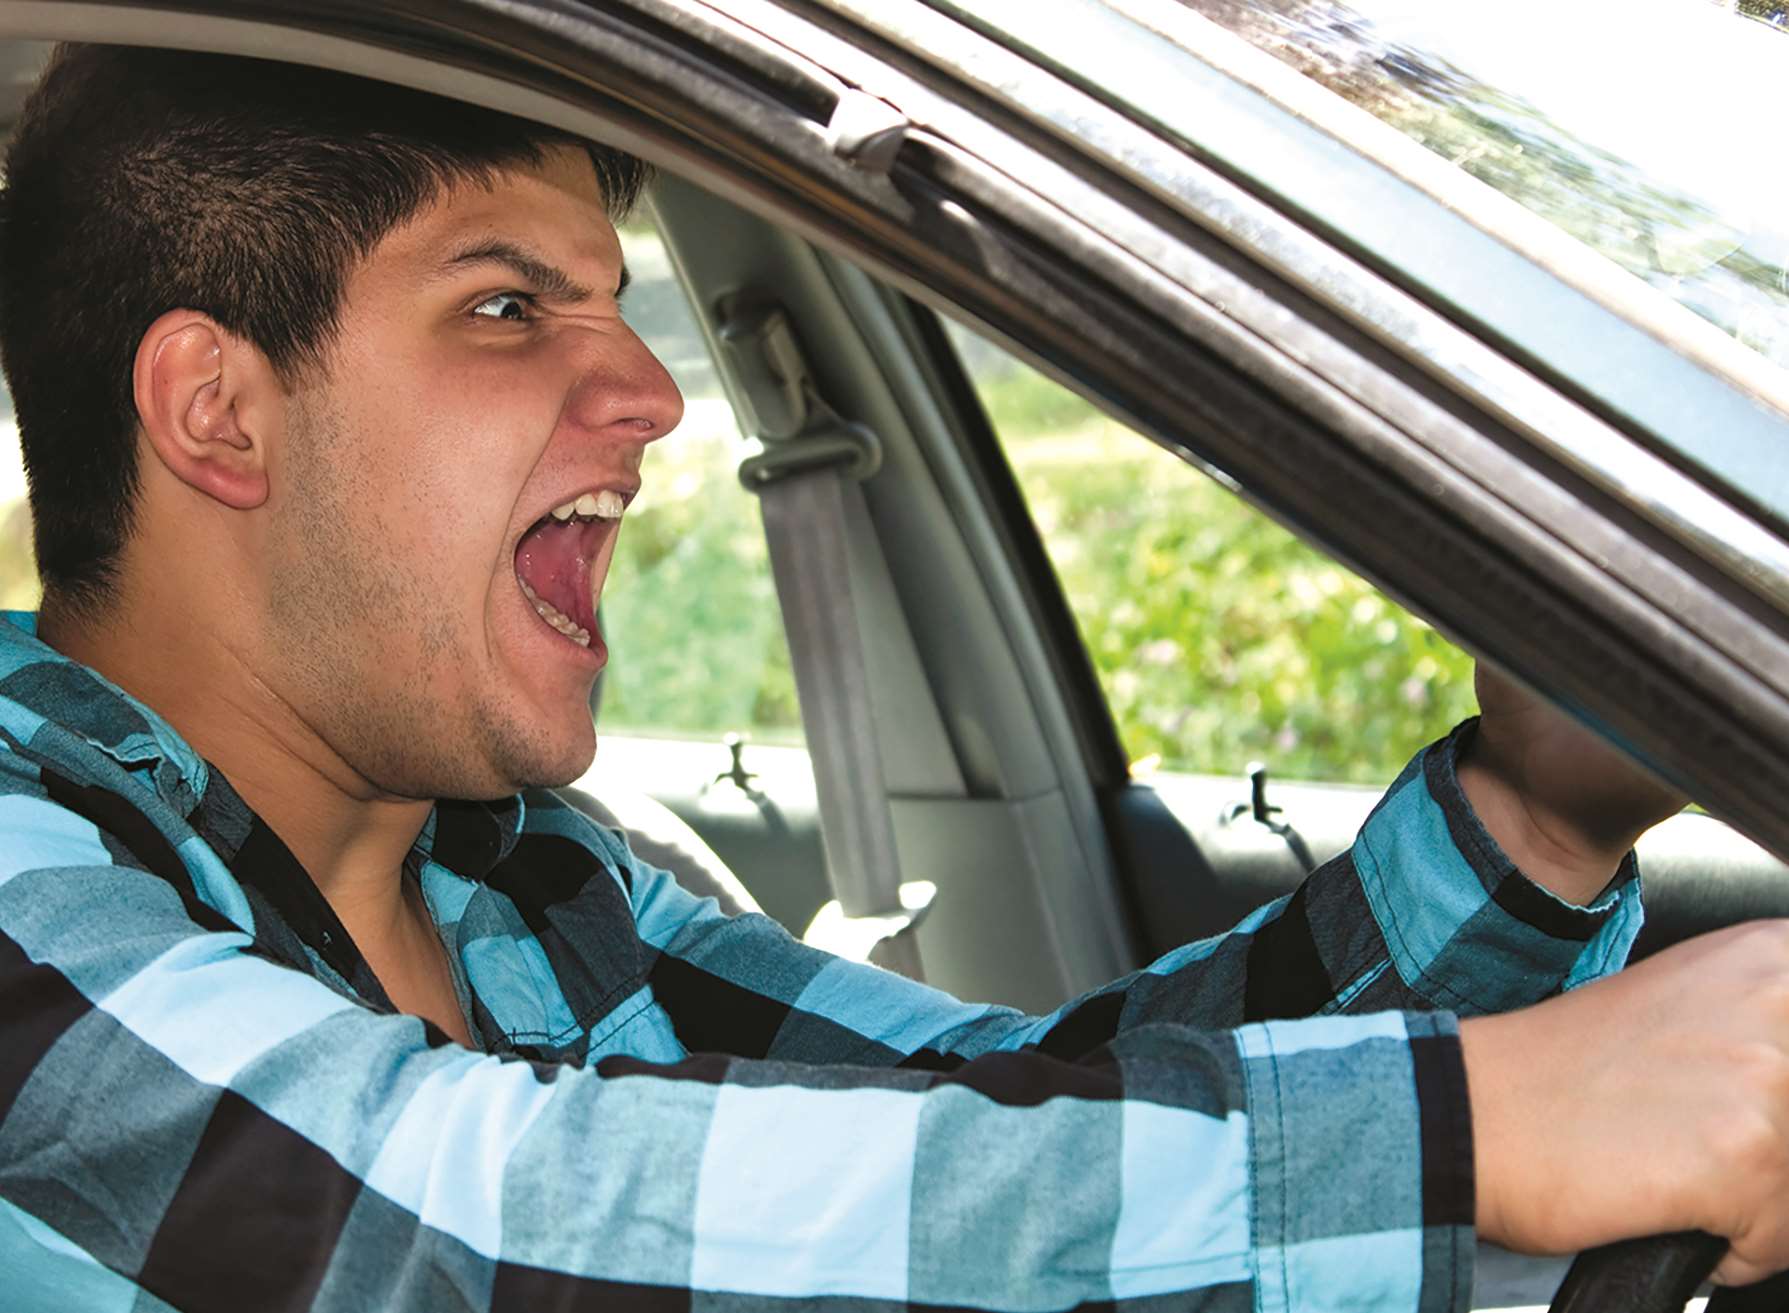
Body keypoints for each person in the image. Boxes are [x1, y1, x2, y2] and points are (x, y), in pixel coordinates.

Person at [0, 40, 1780, 1311]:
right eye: (503, 305)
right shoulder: (22, 884)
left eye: (615, 302)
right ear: (217, 412)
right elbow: (459, 1223)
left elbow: (1003, 1110)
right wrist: (1477, 1138)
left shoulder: (527, 870)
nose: (651, 395)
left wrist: (1532, 815)